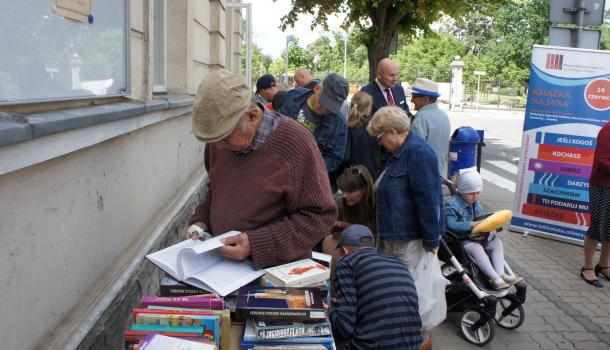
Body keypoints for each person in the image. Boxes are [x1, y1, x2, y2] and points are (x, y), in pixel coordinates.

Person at [184, 69, 337, 268]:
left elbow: (320, 216)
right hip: (219, 265)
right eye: (214, 139)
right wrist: (200, 221)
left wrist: (257, 244)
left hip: (274, 273)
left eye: (225, 137)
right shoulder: (218, 141)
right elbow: (216, 189)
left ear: (253, 116)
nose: (219, 147)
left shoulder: (296, 143)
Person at [367, 106, 443, 271]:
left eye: (379, 138)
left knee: (407, 287)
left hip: (409, 241)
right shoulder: (399, 152)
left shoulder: (418, 152)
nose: (379, 143)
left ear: (392, 131)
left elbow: (428, 199)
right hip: (396, 237)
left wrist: (431, 240)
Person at [327, 224, 422, 350]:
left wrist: (328, 307)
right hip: (412, 344)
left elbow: (345, 327)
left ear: (345, 250)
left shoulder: (346, 262)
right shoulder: (398, 263)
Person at [445, 167, 523, 290]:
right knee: (477, 249)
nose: (475, 196)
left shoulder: (476, 202)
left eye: (478, 193)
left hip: (479, 236)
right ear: (462, 191)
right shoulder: (452, 205)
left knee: (497, 243)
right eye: (471, 193)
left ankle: (500, 273)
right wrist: (471, 224)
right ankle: (494, 278)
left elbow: (481, 216)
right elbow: (450, 225)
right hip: (463, 240)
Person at [278, 73, 349, 175]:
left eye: (331, 107)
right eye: (323, 102)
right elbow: (276, 125)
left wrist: (310, 169)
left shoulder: (339, 123)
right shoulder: (293, 97)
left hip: (307, 176)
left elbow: (335, 158)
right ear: (316, 88)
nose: (325, 109)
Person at [322, 165, 377, 265]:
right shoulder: (339, 200)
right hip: (346, 242)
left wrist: (353, 228)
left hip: (369, 246)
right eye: (343, 190)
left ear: (364, 189)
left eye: (350, 191)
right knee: (329, 241)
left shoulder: (377, 204)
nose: (344, 195)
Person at [581, 121, 610, 287]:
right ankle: (588, 267)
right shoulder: (608, 129)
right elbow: (602, 161)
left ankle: (604, 265)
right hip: (602, 187)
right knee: (597, 226)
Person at [409, 78, 451, 177]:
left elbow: (414, 152)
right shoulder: (443, 115)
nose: (411, 100)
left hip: (422, 175)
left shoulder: (421, 118)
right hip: (438, 172)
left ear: (425, 99)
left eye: (414, 96)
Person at [344, 91, 382, 180]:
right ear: (367, 108)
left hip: (354, 174)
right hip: (372, 173)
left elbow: (345, 156)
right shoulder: (375, 126)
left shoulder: (348, 126)